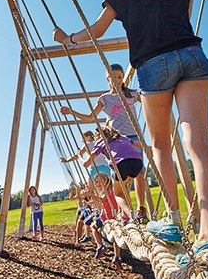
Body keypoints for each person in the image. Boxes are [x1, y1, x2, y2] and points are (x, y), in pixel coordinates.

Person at [53, 0, 208, 266]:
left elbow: (96, 31)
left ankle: (173, 220)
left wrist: (67, 38)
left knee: (160, 144)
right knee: (198, 143)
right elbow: (183, 19)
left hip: (152, 64)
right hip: (193, 57)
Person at [60, 63, 153, 221]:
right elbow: (91, 117)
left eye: (119, 77)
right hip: (115, 140)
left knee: (139, 173)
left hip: (133, 137)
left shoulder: (131, 93)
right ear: (107, 78)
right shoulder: (104, 98)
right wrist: (71, 112)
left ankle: (141, 208)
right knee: (118, 179)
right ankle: (123, 212)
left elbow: (149, 102)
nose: (116, 80)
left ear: (123, 77)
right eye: (112, 77)